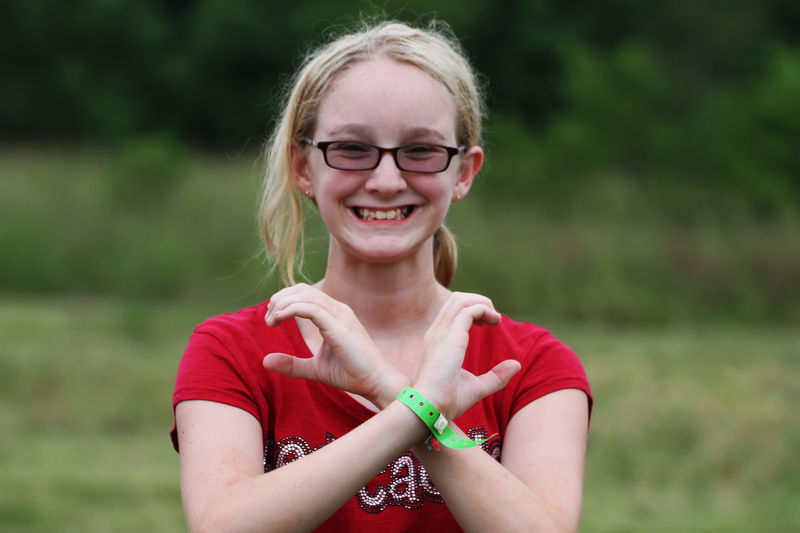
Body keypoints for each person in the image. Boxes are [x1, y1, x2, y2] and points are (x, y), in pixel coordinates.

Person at [171, 20, 592, 533]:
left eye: (421, 150)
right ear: (303, 167)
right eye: (351, 148)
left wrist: (389, 392)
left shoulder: (531, 365)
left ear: (463, 172)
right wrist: (416, 407)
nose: (387, 181)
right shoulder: (232, 352)